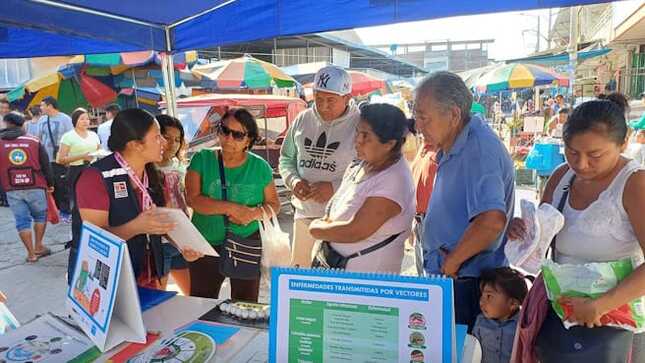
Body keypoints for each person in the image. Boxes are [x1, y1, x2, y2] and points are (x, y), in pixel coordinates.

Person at [508, 96, 645, 361]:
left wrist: (601, 305)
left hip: (614, 326)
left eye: (595, 155)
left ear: (624, 143)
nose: (581, 164)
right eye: (572, 152)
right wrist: (523, 231)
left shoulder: (634, 184)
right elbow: (541, 237)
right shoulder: (562, 176)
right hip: (561, 316)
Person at [414, 72, 515, 331]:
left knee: (461, 351)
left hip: (467, 282)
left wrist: (453, 262)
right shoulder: (456, 143)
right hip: (454, 277)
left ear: (454, 115)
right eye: (416, 116)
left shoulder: (478, 149)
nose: (418, 125)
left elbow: (491, 221)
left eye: (424, 117)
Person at [68, 108, 202, 287]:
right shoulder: (96, 177)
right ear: (135, 144)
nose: (164, 142)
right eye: (157, 137)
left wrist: (183, 245)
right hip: (104, 281)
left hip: (148, 272)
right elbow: (94, 239)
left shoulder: (155, 176)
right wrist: (135, 227)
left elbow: (162, 222)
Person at [186, 108, 280, 301]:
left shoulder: (259, 167)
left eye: (237, 135)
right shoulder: (202, 159)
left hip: (245, 242)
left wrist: (254, 214)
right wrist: (233, 208)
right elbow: (193, 200)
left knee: (245, 303)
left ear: (249, 140)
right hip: (206, 244)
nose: (229, 138)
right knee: (202, 301)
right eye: (224, 130)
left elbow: (274, 205)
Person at [308, 103, 416, 273]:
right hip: (336, 274)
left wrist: (316, 229)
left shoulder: (394, 181)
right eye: (358, 132)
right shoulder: (362, 164)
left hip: (365, 285)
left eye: (366, 136)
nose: (357, 140)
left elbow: (355, 231)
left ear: (389, 144)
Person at [279, 65, 360, 268]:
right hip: (305, 216)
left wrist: (334, 188)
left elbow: (368, 170)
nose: (323, 106)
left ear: (347, 97)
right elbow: (286, 158)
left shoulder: (360, 125)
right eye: (318, 98)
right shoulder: (302, 120)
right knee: (301, 282)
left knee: (333, 285)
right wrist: (294, 181)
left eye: (331, 100)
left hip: (343, 220)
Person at [0, 112, 54, 263]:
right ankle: (38, 246)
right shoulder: (34, 141)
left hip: (12, 188)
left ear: (6, 123)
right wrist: (50, 184)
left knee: (22, 221)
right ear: (22, 124)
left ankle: (31, 254)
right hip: (35, 185)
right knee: (40, 216)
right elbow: (46, 165)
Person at [156, 114, 190, 295]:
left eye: (177, 139)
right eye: (166, 137)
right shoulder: (146, 168)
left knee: (192, 293)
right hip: (160, 242)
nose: (173, 143)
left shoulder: (179, 165)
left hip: (182, 238)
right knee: (157, 298)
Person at [473, 267, 529, 363]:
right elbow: (474, 351)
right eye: (482, 295)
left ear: (512, 304)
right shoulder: (480, 321)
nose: (481, 302)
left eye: (489, 296)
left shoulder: (523, 326)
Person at [57, 108, 100, 219]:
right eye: (82, 119)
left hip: (93, 170)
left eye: (87, 119)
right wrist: (82, 156)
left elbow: (99, 151)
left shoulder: (93, 135)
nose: (86, 121)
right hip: (76, 171)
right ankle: (77, 227)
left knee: (94, 201)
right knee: (78, 203)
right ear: (75, 121)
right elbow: (61, 159)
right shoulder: (68, 136)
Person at [35, 96, 73, 218]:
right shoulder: (42, 120)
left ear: (49, 106)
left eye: (42, 105)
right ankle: (55, 210)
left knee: (62, 185)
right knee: (51, 185)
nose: (41, 108)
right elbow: (38, 139)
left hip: (61, 158)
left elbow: (71, 138)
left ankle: (66, 211)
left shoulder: (65, 119)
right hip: (46, 159)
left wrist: (69, 157)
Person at [410, 138, 438, 276]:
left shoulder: (442, 152)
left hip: (432, 223)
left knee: (430, 276)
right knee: (423, 276)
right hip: (419, 221)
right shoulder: (424, 147)